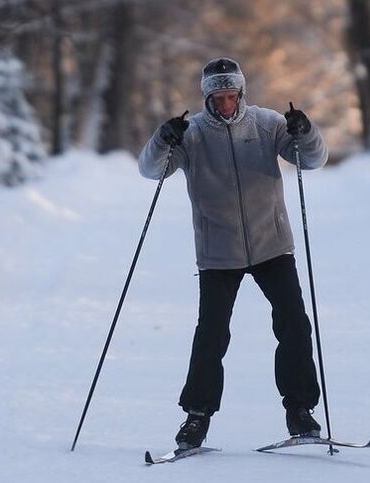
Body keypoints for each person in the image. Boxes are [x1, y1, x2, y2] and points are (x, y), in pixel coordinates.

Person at [138, 57, 328, 449]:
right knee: (211, 335)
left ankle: (301, 412)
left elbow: (312, 159)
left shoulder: (268, 123)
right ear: (206, 96)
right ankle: (197, 417)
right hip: (218, 251)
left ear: (241, 92)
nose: (225, 104)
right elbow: (151, 170)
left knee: (294, 323)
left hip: (272, 245)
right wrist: (162, 138)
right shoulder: (191, 135)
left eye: (231, 95)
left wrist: (305, 131)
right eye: (217, 97)